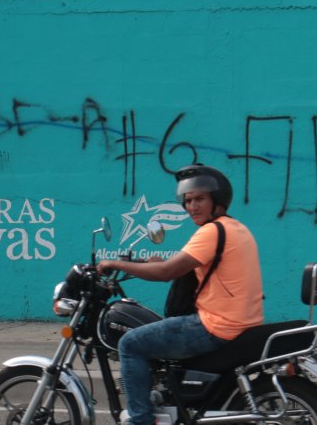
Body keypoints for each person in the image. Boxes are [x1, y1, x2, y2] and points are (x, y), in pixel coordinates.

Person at [98, 163, 264, 425]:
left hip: (215, 326)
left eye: (200, 199)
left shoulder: (211, 231)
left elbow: (166, 272)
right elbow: (179, 265)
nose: (192, 207)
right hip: (239, 322)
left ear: (217, 200)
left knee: (130, 344)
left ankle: (140, 420)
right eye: (187, 201)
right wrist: (146, 263)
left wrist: (113, 263)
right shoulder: (235, 228)